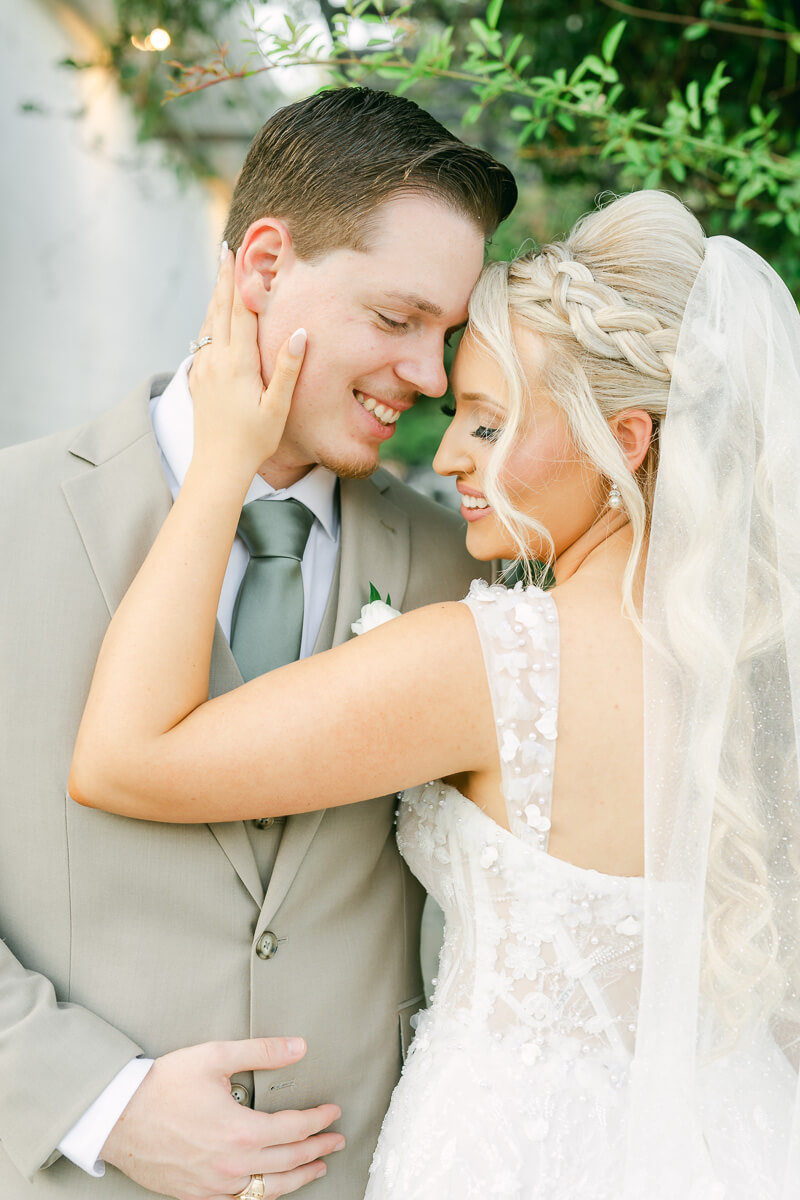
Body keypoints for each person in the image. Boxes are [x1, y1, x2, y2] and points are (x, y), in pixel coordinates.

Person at [72, 188, 800, 1199]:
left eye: (487, 423)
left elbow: (125, 759)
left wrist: (221, 458)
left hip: (508, 1155)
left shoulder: (493, 659)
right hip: (738, 1141)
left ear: (621, 442)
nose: (448, 455)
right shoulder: (754, 677)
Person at [0, 87, 516, 1200]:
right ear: (263, 266)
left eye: (447, 336)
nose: (429, 379)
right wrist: (98, 1103)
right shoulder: (9, 518)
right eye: (395, 320)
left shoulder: (460, 571)